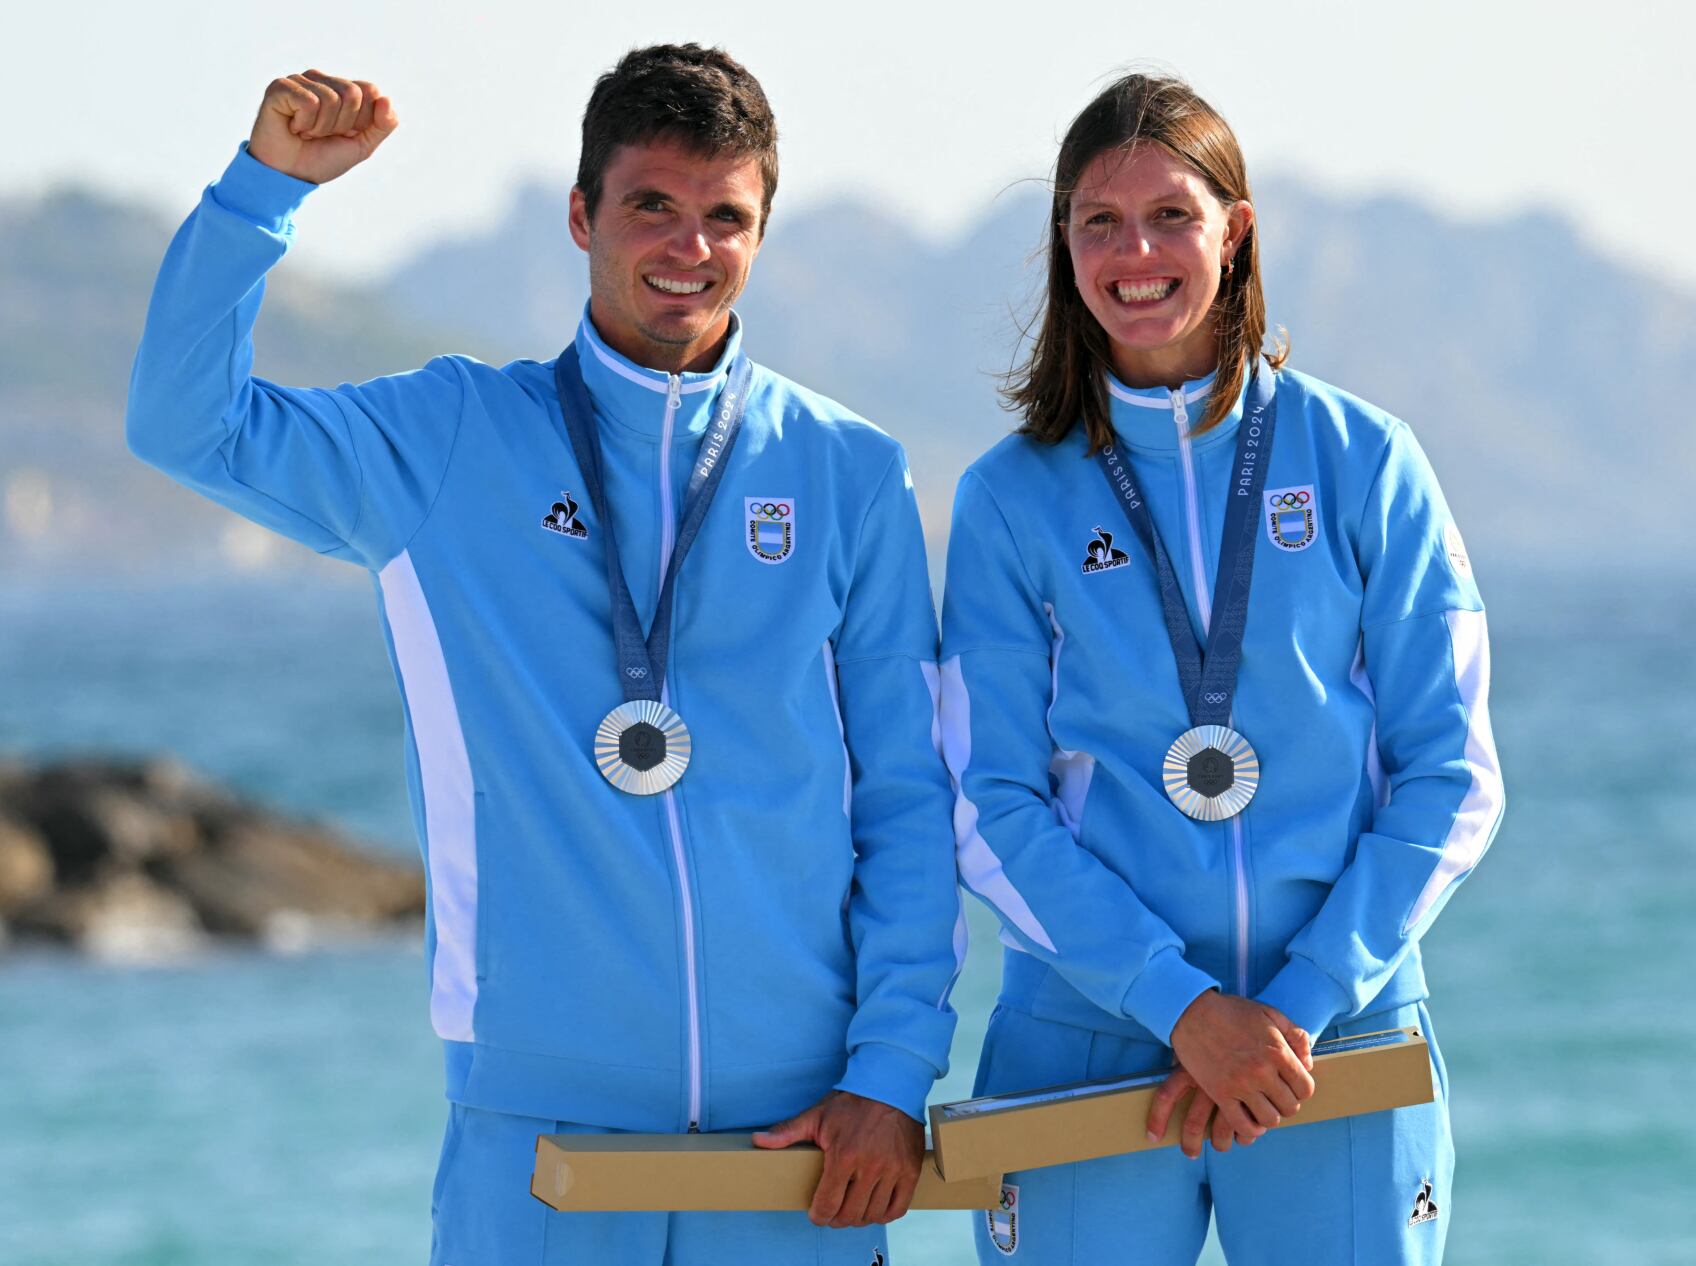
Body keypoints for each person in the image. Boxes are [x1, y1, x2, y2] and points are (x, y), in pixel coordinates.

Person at [127, 45, 962, 1265]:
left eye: (726, 217)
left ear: (764, 232)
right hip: (539, 1137)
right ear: (582, 216)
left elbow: (905, 796)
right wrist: (266, 190)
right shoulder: (449, 439)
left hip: (796, 1141)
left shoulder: (847, 470)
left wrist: (888, 1075)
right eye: (651, 207)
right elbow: (184, 422)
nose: (690, 246)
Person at [939, 72, 1504, 1265]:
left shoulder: (1363, 460)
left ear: (1235, 230)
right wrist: (1181, 1007)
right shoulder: (1007, 497)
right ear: (1064, 244)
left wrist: (1287, 1012)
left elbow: (1450, 774)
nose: (1133, 253)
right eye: (1099, 221)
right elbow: (987, 805)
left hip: (1332, 1048)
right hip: (1084, 1040)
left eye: (1171, 217)